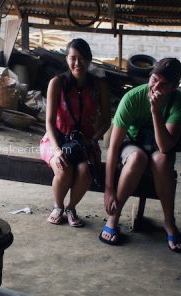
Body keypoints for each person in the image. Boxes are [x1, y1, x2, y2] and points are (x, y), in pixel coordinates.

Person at [100, 57, 181, 252]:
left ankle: (169, 222)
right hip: (132, 145)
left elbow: (166, 147)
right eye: (154, 79)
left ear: (174, 87)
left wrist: (156, 112)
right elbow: (114, 147)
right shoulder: (132, 98)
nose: (156, 87)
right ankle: (113, 218)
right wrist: (109, 189)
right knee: (137, 158)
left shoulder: (180, 104)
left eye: (164, 84)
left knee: (163, 160)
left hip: (159, 147)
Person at [40, 38, 110, 226]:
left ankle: (71, 207)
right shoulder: (57, 83)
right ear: (67, 59)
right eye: (73, 58)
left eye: (82, 58)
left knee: (85, 171)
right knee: (64, 168)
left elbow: (106, 121)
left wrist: (92, 140)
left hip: (85, 141)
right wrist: (57, 150)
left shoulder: (99, 85)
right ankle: (58, 206)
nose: (77, 63)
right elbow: (49, 122)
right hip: (56, 139)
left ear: (89, 60)